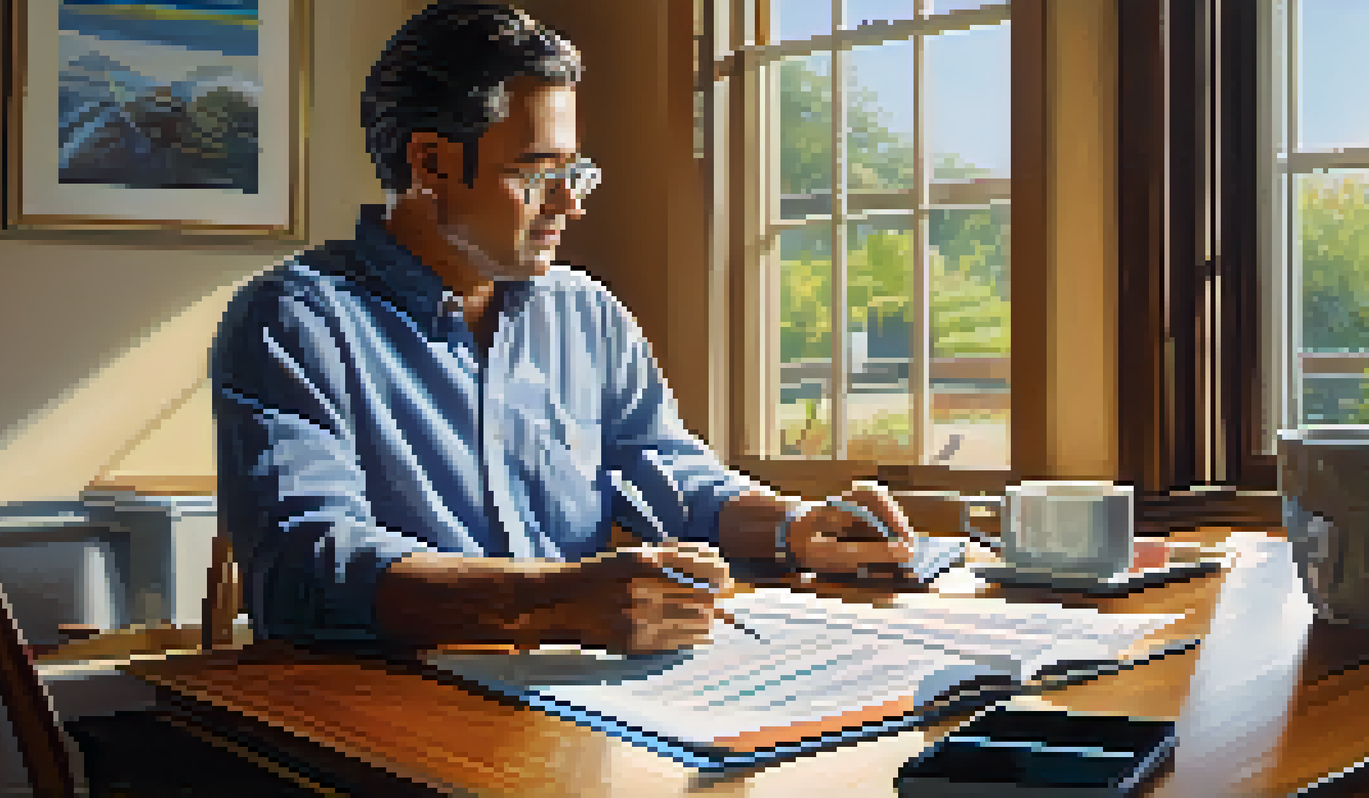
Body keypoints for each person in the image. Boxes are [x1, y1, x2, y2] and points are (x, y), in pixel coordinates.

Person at [210, 1, 916, 655]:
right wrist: (551, 603)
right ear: (429, 163)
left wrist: (793, 527)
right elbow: (307, 569)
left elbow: (667, 470)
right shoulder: (295, 322)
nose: (569, 205)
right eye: (536, 172)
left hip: (571, 712)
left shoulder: (586, 313)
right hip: (376, 723)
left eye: (575, 171)